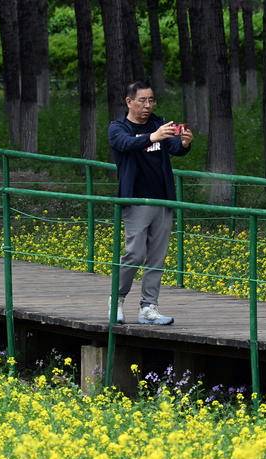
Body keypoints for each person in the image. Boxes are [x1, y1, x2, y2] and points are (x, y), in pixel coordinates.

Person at [106, 80, 193, 325]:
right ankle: (117, 300)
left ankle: (149, 307)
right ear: (129, 101)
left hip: (163, 199)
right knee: (134, 253)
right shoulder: (118, 127)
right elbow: (125, 144)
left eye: (151, 100)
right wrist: (152, 136)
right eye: (142, 100)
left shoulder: (159, 122)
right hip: (136, 199)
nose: (147, 105)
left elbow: (175, 147)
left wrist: (185, 142)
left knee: (157, 256)